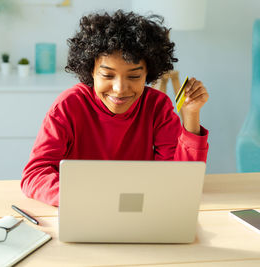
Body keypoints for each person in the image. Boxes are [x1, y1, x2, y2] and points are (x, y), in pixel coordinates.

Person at [21, 10, 209, 207]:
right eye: (107, 75)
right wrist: (81, 198)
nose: (119, 89)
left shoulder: (157, 106)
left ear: (148, 74)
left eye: (134, 76)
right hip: (83, 207)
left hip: (138, 210)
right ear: (90, 71)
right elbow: (35, 174)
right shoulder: (68, 106)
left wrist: (191, 115)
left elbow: (182, 181)